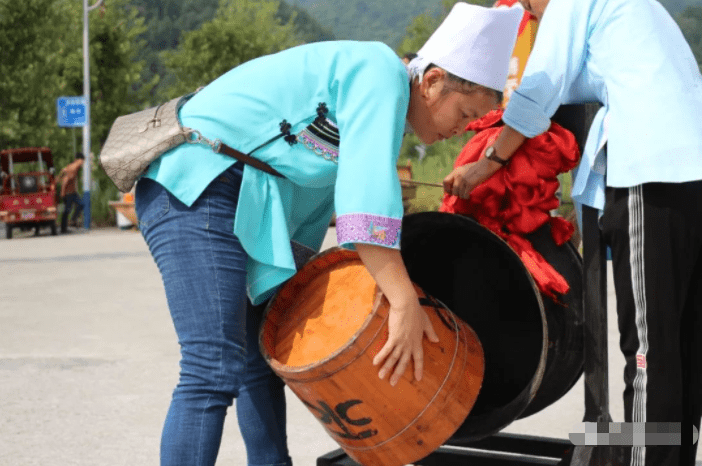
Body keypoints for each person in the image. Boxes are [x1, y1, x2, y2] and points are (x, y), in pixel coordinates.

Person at [133, 4, 521, 465]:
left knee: (259, 363)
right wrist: (403, 302)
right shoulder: (379, 72)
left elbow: (331, 204)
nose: (460, 131)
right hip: (198, 183)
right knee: (211, 366)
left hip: (239, 197)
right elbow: (363, 206)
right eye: (465, 113)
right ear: (434, 81)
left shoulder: (385, 108)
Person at [443, 0, 702, 464]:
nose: (533, 16)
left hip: (651, 167)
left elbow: (539, 88)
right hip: (691, 170)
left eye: (528, 7)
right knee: (681, 343)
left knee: (647, 348)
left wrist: (490, 161)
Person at [57, 152, 85, 233]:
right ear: (78, 160)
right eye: (82, 161)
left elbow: (63, 170)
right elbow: (65, 180)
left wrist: (60, 175)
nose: (82, 163)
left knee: (80, 204)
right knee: (67, 210)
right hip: (68, 193)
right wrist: (62, 192)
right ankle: (65, 227)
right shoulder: (73, 168)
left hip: (73, 192)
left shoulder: (72, 167)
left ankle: (72, 221)